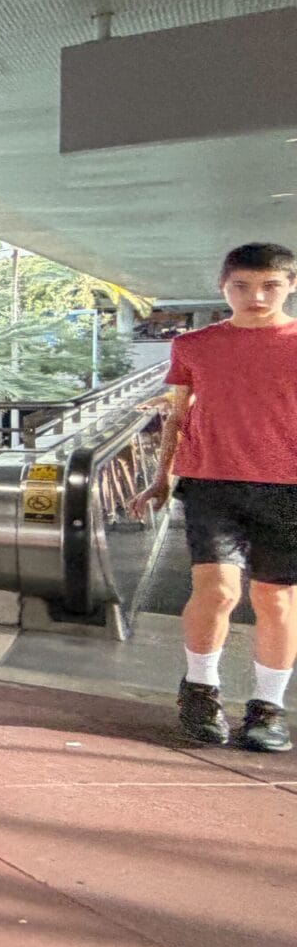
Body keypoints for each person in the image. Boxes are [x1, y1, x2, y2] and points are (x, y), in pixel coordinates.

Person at [156, 242, 297, 751]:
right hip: (211, 482)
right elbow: (176, 414)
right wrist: (160, 476)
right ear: (223, 287)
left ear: (290, 286)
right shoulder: (194, 345)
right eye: (241, 286)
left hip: (287, 488)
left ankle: (267, 708)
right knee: (217, 591)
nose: (255, 296)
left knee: (275, 599)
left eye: (270, 286)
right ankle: (200, 690)